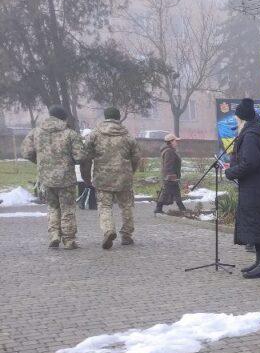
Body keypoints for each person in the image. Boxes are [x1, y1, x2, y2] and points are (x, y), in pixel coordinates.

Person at [22, 106, 86, 249]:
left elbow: (26, 152)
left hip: (45, 178)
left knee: (52, 207)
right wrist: (71, 161)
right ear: (63, 118)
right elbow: (80, 156)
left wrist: (40, 161)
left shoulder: (36, 132)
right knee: (67, 208)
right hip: (66, 179)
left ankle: (54, 235)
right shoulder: (70, 133)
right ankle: (69, 240)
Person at [225, 98, 260, 279]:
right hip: (256, 188)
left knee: (258, 225)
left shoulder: (251, 136)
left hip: (256, 189)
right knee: (257, 225)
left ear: (242, 119)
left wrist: (231, 172)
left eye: (237, 118)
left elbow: (250, 162)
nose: (236, 120)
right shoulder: (253, 133)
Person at [84, 107, 142, 249]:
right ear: (118, 117)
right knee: (126, 206)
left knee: (104, 206)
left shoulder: (94, 134)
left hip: (102, 177)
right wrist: (131, 171)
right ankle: (127, 235)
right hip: (124, 177)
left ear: (105, 117)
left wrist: (86, 177)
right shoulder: (127, 136)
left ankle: (108, 230)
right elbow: (136, 157)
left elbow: (86, 156)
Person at [155, 134, 187, 214]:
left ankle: (182, 209)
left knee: (175, 193)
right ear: (171, 141)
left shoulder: (169, 150)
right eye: (176, 141)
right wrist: (171, 177)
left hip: (171, 177)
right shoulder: (169, 152)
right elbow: (168, 165)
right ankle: (158, 208)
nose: (177, 142)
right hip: (170, 177)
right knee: (166, 192)